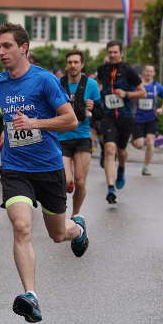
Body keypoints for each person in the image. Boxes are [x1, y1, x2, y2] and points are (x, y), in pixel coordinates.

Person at [0, 23, 88, 324]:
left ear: (24, 48)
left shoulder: (44, 80)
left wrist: (36, 123)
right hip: (15, 167)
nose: (1, 52)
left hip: (48, 168)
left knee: (59, 233)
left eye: (7, 46)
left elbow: (70, 120)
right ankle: (31, 296)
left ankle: (78, 228)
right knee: (21, 226)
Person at [96, 40, 145, 204]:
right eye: (110, 52)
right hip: (108, 115)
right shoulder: (102, 69)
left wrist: (126, 94)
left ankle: (122, 168)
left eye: (115, 52)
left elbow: (142, 92)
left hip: (125, 116)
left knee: (121, 151)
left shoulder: (129, 71)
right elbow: (99, 85)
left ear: (121, 53)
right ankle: (111, 188)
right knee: (110, 148)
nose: (112, 55)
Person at [56, 49, 101, 217]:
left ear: (82, 64)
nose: (73, 65)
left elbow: (100, 113)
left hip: (82, 136)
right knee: (66, 180)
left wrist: (94, 107)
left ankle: (75, 215)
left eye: (76, 62)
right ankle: (62, 210)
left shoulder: (91, 84)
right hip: (62, 137)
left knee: (80, 182)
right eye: (70, 62)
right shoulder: (58, 83)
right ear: (66, 65)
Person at [131, 64, 163, 175]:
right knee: (139, 144)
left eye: (151, 71)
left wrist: (162, 108)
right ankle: (132, 140)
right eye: (147, 71)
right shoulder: (137, 85)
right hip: (138, 118)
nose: (148, 73)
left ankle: (146, 167)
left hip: (151, 118)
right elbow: (129, 96)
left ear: (154, 74)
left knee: (150, 141)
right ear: (143, 72)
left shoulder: (157, 86)